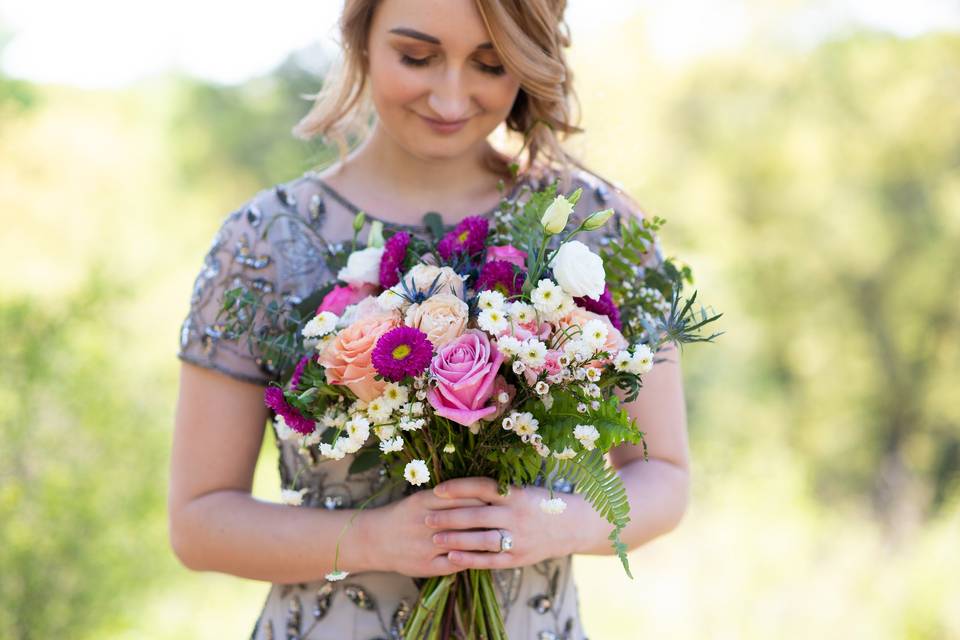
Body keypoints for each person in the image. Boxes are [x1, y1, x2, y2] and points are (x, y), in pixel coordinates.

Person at [168, 0, 690, 638]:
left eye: (490, 63)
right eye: (417, 57)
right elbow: (199, 525)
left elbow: (663, 477)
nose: (451, 97)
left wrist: (552, 522)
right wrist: (374, 540)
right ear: (360, 37)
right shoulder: (266, 241)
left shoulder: (594, 230)